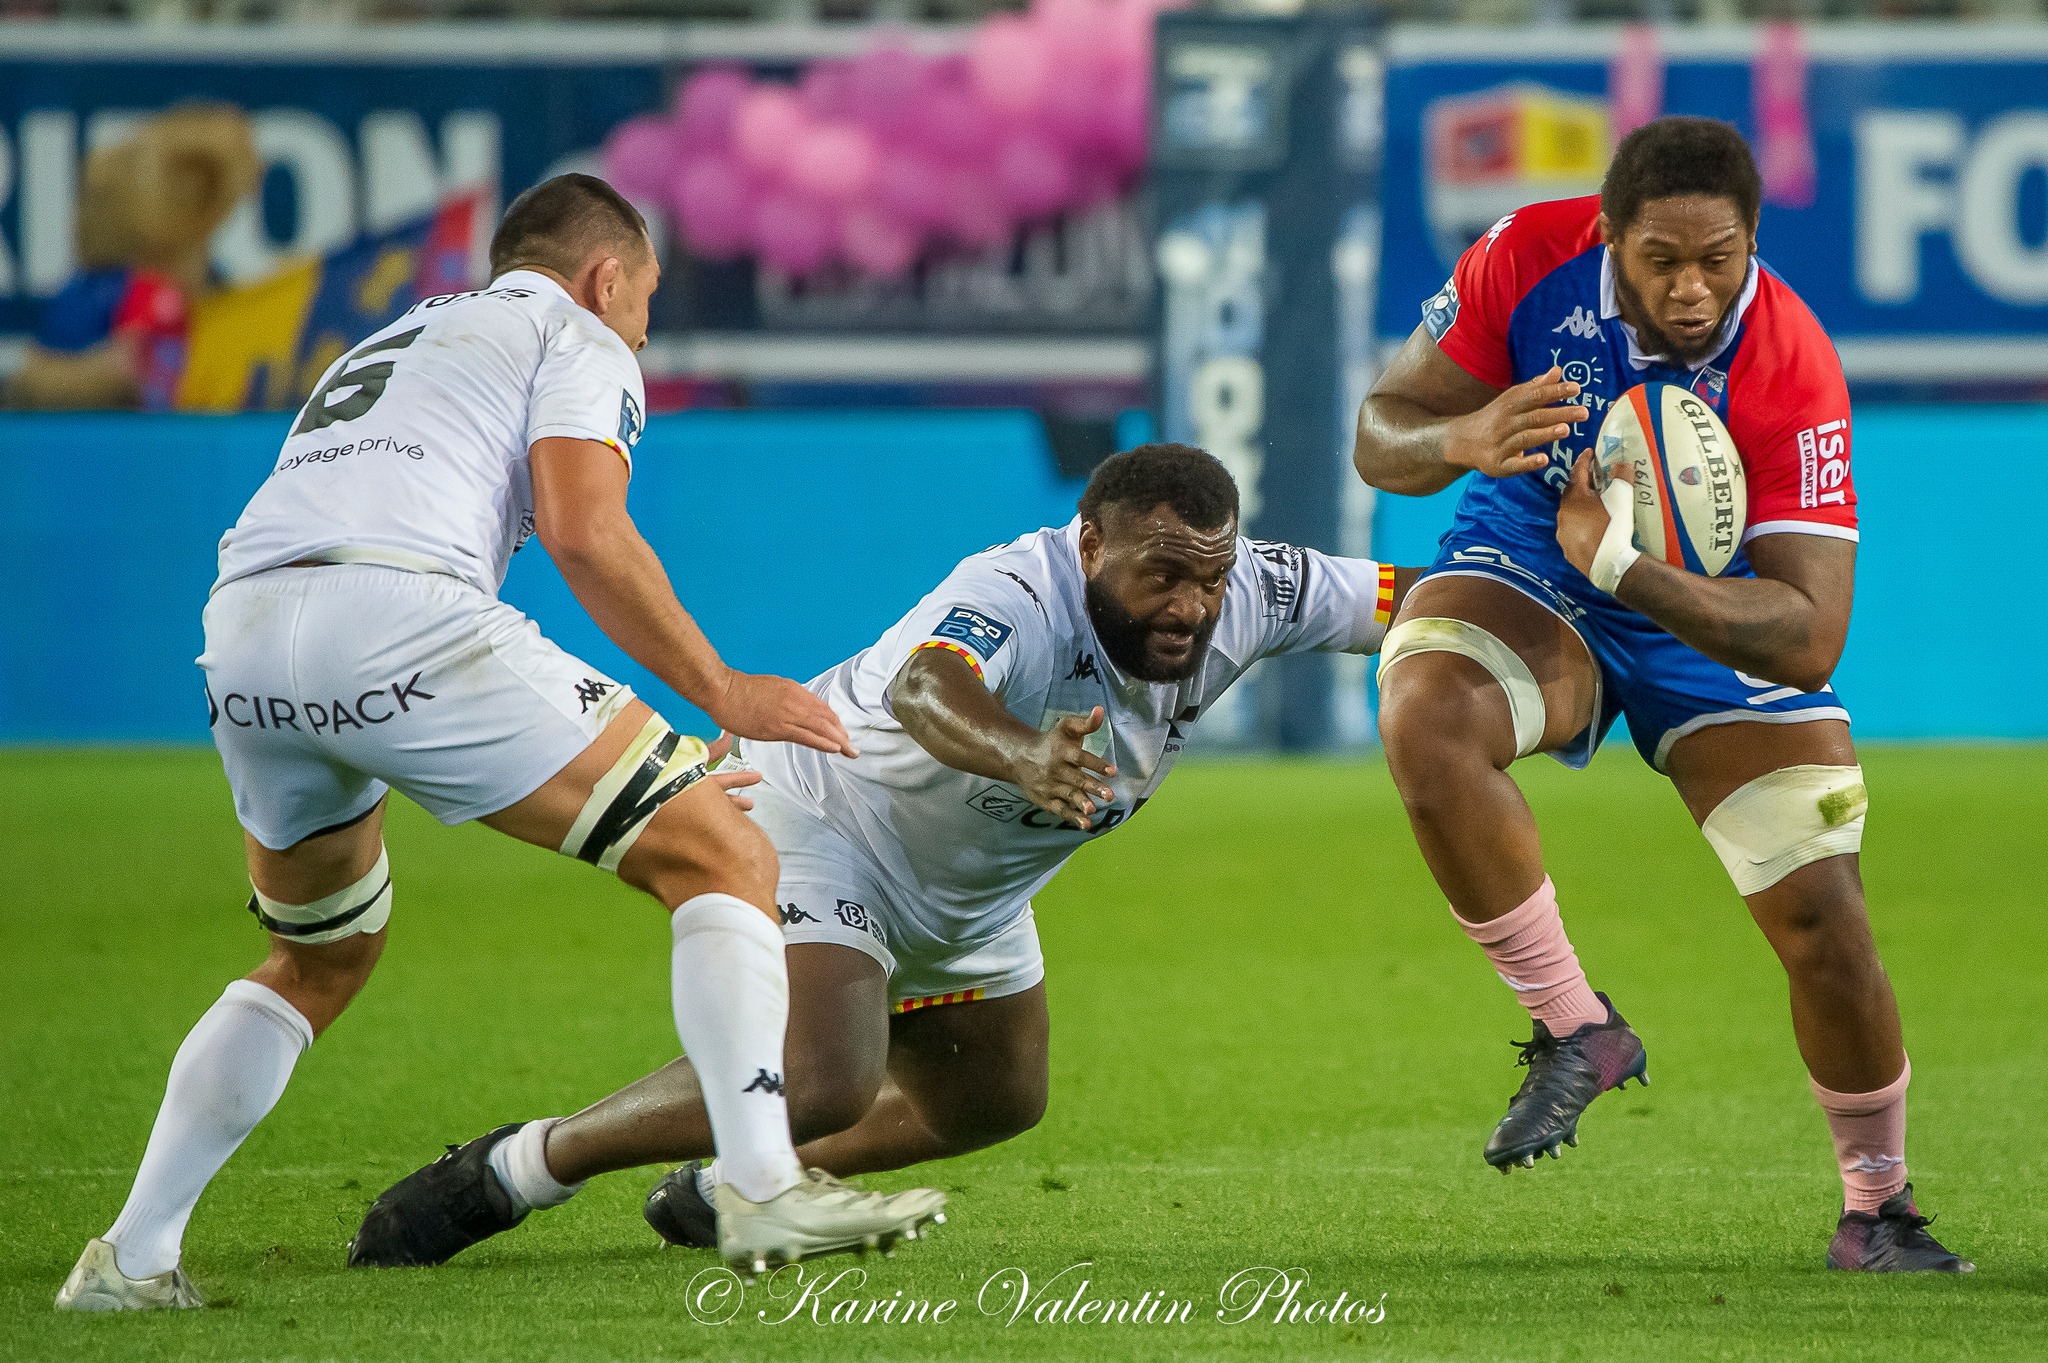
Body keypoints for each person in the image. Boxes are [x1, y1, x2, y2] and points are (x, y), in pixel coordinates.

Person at [55, 174, 942, 1312]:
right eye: (645, 300)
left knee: (319, 955)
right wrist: (723, 687)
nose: (641, 326)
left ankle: (134, 1256)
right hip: (395, 614)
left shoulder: (396, 335)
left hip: (242, 627)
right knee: (722, 850)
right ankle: (763, 1181)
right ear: (605, 274)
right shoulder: (574, 329)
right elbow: (583, 525)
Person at [357, 441, 1413, 1258]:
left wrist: (1550, 598)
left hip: (967, 890)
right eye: (1161, 575)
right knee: (825, 1077)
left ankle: (728, 1186)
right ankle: (524, 1163)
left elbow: (1414, 602)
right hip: (823, 817)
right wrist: (1021, 754)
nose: (1189, 605)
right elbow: (925, 686)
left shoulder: (1257, 590)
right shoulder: (1017, 591)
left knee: (994, 1098)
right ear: (1091, 544)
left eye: (1208, 578)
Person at [1353, 117, 1968, 1272]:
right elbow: (1378, 440)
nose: (1690, 290)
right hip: (1532, 563)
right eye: (1659, 261)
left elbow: (1806, 633)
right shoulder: (1523, 258)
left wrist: (1627, 569)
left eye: (1716, 260)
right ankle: (1576, 1026)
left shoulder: (1788, 360)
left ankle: (1875, 1208)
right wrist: (1461, 431)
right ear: (1607, 236)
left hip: (1709, 609)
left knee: (1823, 923)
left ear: (1750, 244)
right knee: (1424, 711)